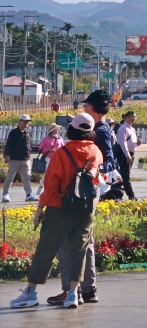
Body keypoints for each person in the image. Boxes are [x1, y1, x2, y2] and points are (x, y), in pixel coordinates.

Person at [8, 113, 101, 309]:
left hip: (60, 208)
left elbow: (51, 186)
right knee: (79, 251)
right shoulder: (96, 152)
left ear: (73, 129)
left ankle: (31, 292)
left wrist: (40, 210)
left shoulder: (63, 153)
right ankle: (73, 294)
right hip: (85, 209)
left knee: (46, 249)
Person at [48, 89, 117, 306]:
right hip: (87, 189)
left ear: (92, 108)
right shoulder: (95, 127)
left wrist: (91, 171)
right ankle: (87, 289)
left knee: (67, 240)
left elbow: (110, 162)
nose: (84, 107)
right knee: (85, 240)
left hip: (82, 189)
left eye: (86, 105)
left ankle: (71, 290)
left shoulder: (102, 130)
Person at [3, 114, 39, 203]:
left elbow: (29, 146)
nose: (26, 123)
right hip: (14, 159)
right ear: (20, 121)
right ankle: (5, 194)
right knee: (10, 178)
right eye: (25, 121)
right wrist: (6, 155)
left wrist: (29, 156)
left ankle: (29, 194)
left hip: (25, 160)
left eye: (27, 122)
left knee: (26, 178)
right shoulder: (13, 133)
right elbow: (9, 145)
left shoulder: (27, 133)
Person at [113, 111, 141, 200]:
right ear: (125, 118)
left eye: (134, 117)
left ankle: (114, 187)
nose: (133, 118)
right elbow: (122, 143)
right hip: (124, 154)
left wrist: (137, 144)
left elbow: (131, 143)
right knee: (126, 175)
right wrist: (127, 155)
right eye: (131, 117)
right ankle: (131, 195)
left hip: (130, 154)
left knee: (125, 174)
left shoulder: (131, 129)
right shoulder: (123, 128)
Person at [38, 124, 66, 193]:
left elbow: (63, 147)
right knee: (47, 173)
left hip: (58, 158)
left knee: (58, 173)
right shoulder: (46, 139)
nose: (57, 130)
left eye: (57, 129)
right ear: (52, 130)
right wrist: (49, 149)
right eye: (56, 129)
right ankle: (40, 188)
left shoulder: (60, 138)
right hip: (48, 158)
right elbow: (41, 149)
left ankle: (55, 189)